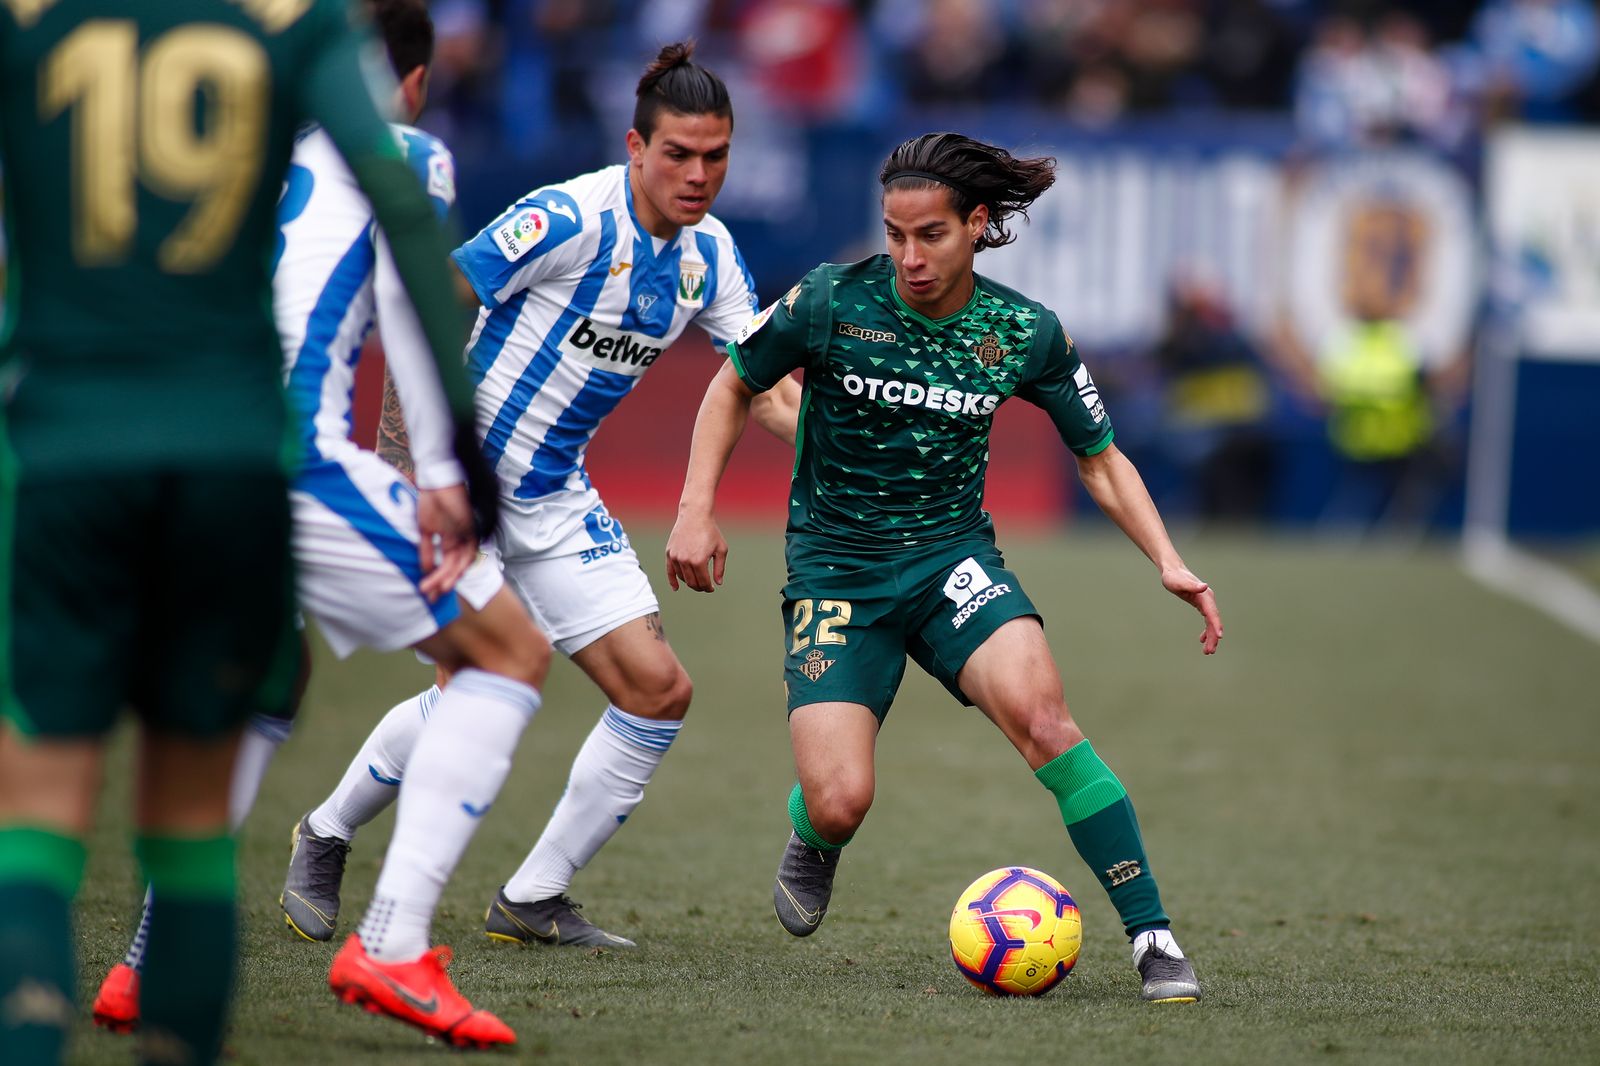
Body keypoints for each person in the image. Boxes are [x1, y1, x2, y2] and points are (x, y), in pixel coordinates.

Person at [0, 1, 490, 1062]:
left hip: (62, 443)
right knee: (184, 822)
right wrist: (460, 459)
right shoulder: (290, 28)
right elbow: (406, 213)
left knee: (37, 807)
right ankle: (356, 955)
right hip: (233, 452)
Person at [665, 132, 1223, 1004]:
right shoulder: (827, 300)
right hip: (836, 572)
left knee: (1047, 719)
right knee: (842, 798)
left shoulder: (1023, 331)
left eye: (930, 235)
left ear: (978, 225)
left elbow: (1102, 456)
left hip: (951, 561)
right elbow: (734, 383)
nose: (909, 256)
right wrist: (696, 508)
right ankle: (815, 835)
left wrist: (1169, 560)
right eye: (895, 234)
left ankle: (1153, 937)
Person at [279, 39, 800, 952]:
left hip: (555, 495)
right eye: (678, 153)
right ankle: (324, 833)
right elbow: (430, 311)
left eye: (716, 156)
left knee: (657, 689)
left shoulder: (710, 257)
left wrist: (848, 446)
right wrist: (411, 468)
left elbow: (761, 386)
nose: (699, 174)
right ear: (635, 148)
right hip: (464, 482)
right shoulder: (564, 218)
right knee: (478, 681)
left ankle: (534, 897)